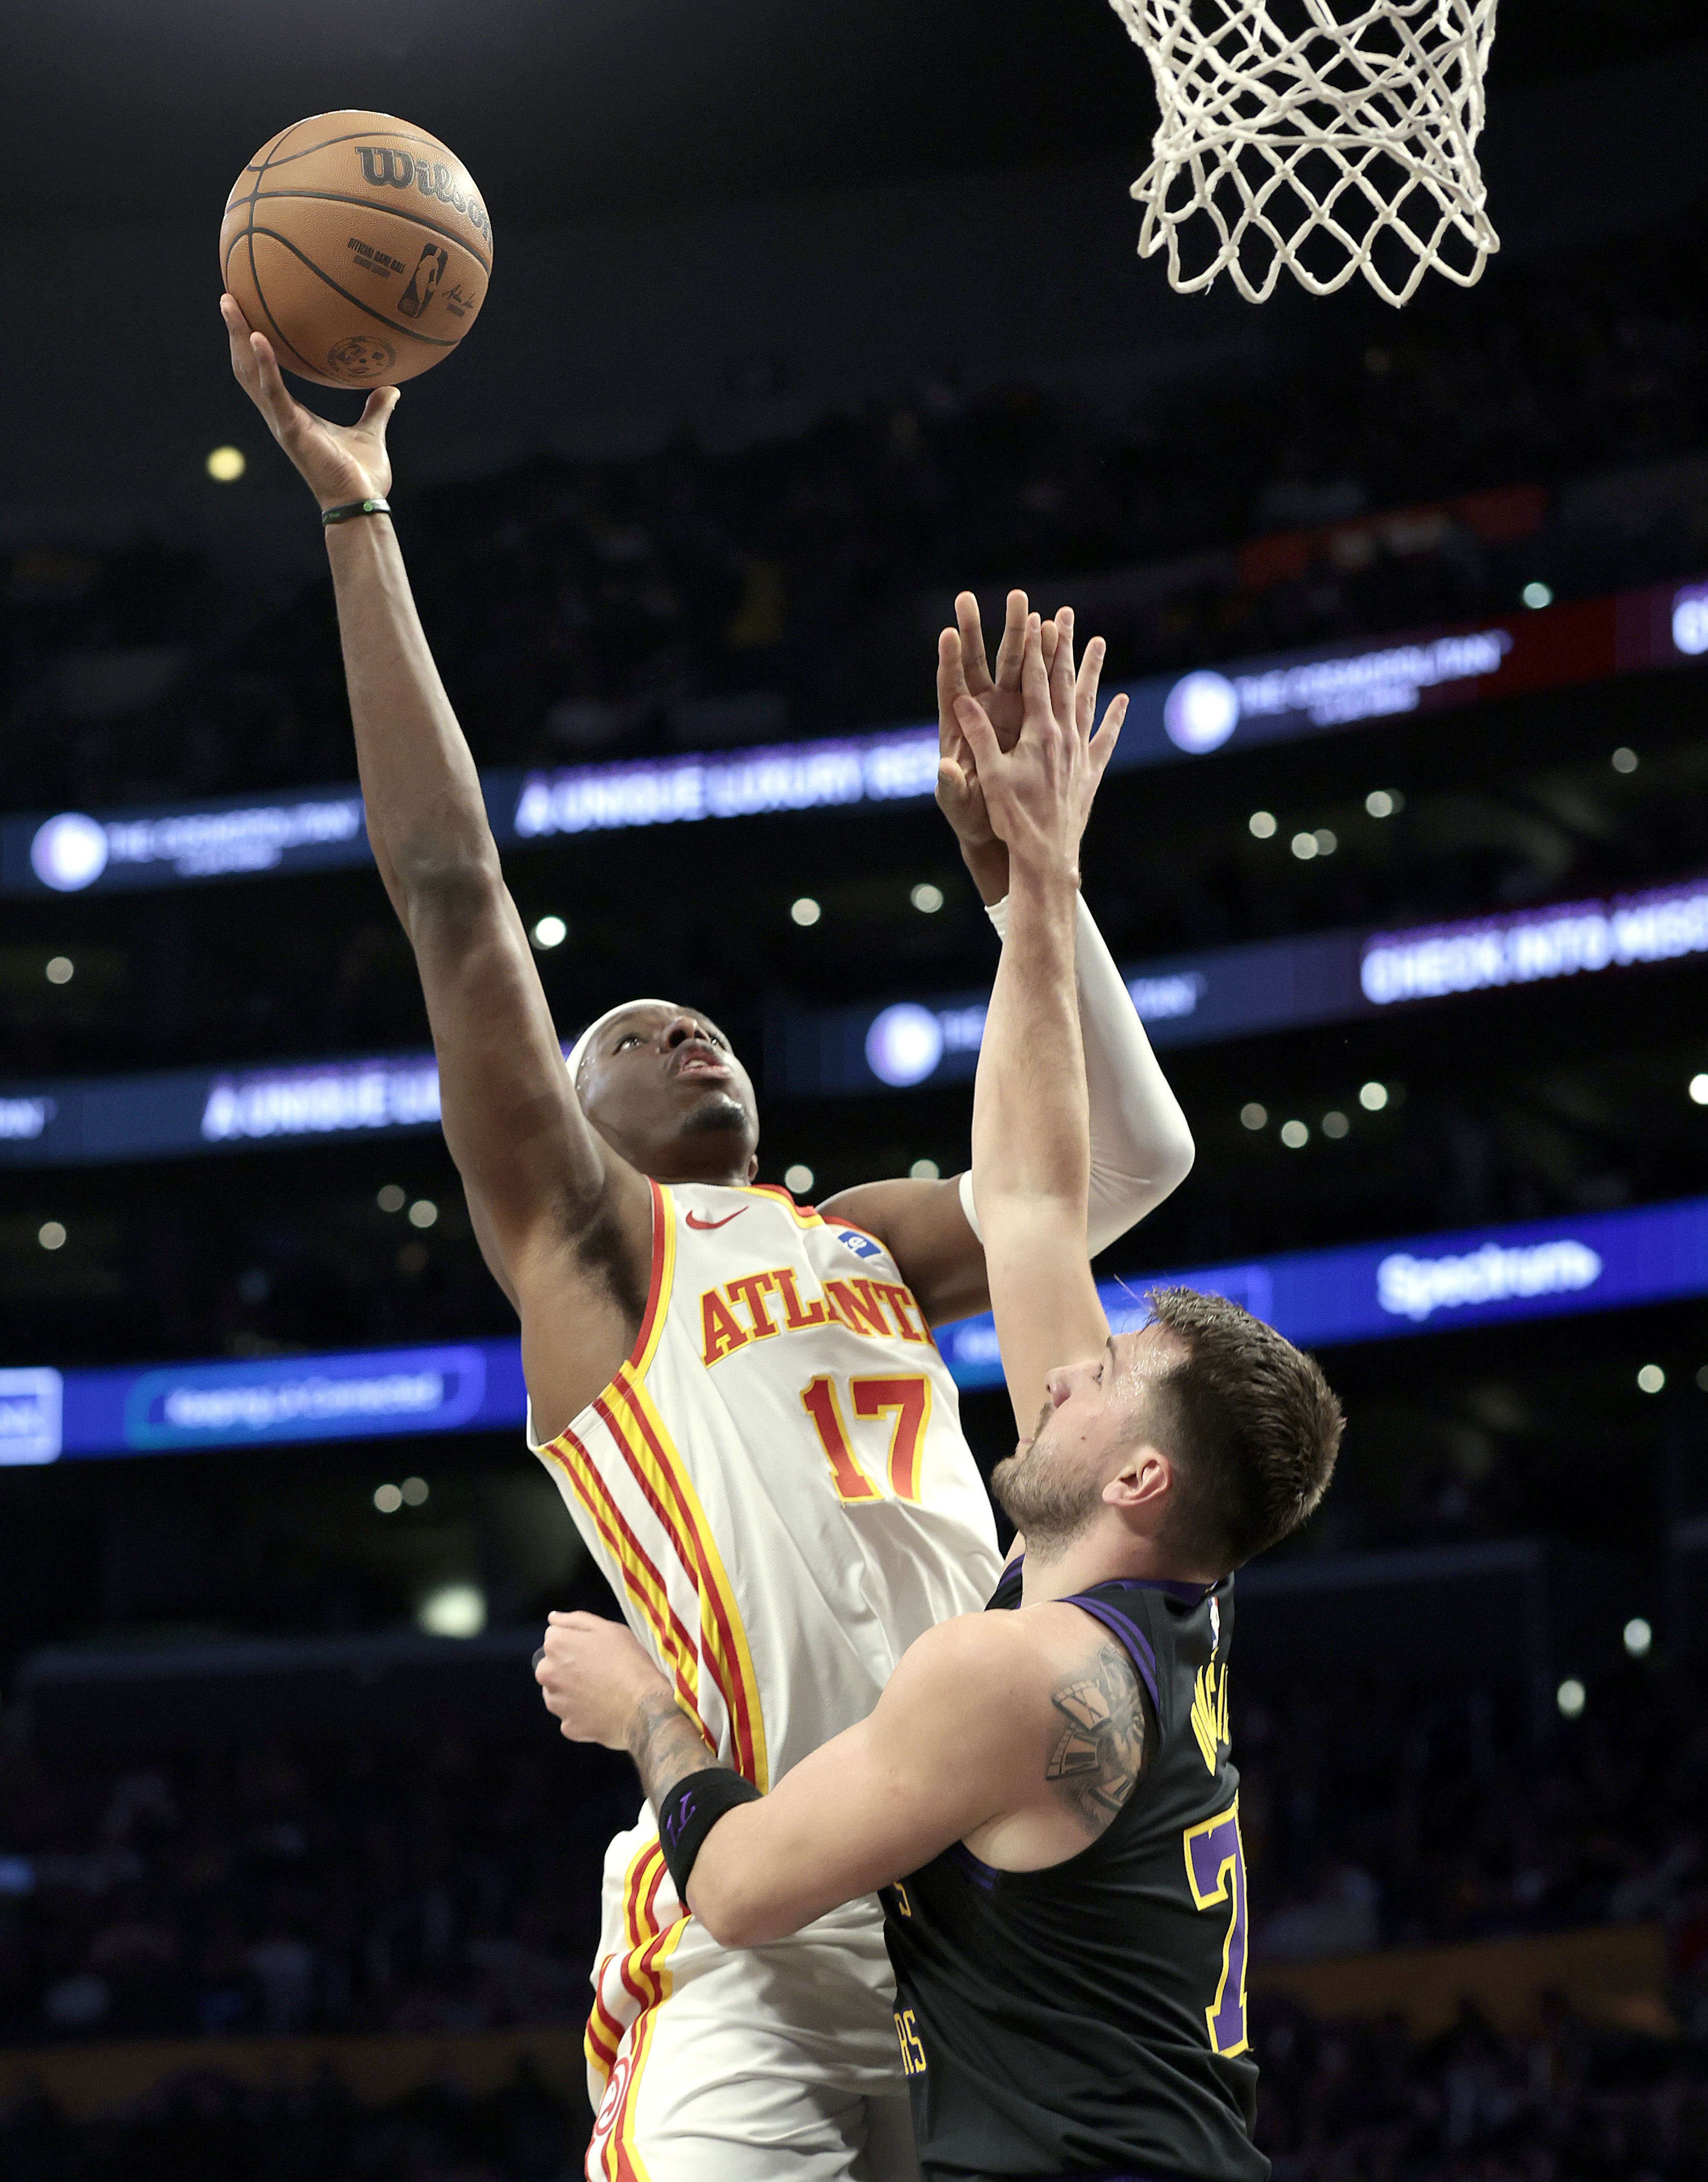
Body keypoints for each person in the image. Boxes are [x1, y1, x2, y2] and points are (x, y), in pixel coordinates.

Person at [219, 301, 1196, 2182]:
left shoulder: (856, 1240)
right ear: (561, 1130)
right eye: (626, 1034)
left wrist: (1035, 911)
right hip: (746, 1915)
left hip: (971, 1907)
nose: (682, 1029)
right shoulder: (592, 1250)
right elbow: (449, 892)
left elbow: (1123, 1165)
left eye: (704, 1022)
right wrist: (361, 522)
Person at [539, 614, 1345, 2182]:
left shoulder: (1022, 1663)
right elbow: (1043, 1202)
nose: (1061, 1366)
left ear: (1133, 1477)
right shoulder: (1122, 1606)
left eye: (1102, 1377)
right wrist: (1031, 886)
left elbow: (750, 1874)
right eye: (626, 1036)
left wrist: (646, 1712)